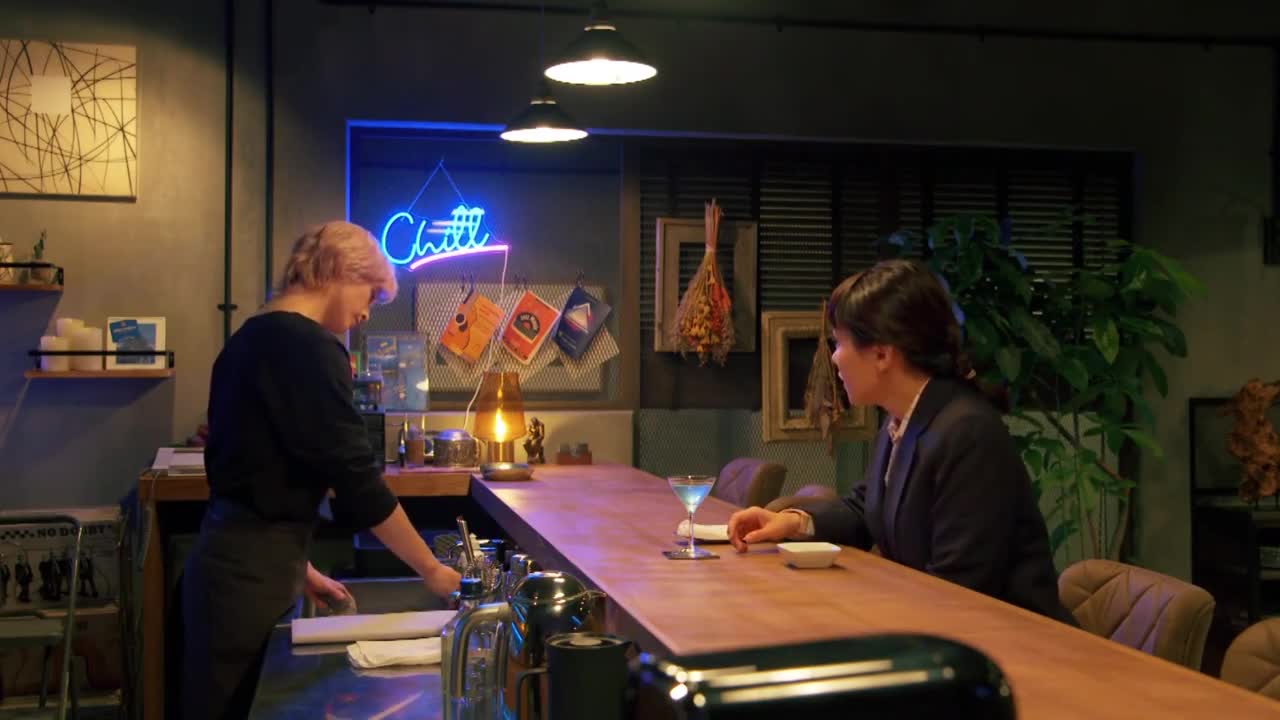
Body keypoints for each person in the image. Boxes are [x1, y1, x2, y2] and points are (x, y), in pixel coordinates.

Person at [180, 221, 462, 719]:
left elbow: (250, 474)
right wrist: (433, 571)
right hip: (249, 586)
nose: (366, 312)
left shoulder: (247, 338)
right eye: (370, 294)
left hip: (225, 567)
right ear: (340, 271)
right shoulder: (309, 347)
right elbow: (358, 483)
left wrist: (298, 568)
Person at [727, 259, 1075, 625]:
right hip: (944, 629)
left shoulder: (967, 433)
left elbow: (959, 588)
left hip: (1017, 642)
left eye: (839, 342)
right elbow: (865, 510)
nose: (834, 358)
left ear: (882, 354)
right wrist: (792, 523)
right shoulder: (905, 418)